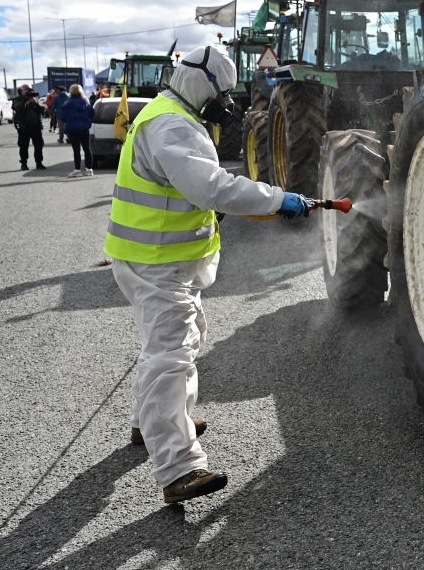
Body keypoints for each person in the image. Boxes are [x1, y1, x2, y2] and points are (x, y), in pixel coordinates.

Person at [104, 44, 313, 505]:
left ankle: (149, 423)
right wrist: (277, 199)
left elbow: (182, 190)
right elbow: (212, 187)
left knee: (177, 341)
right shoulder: (171, 125)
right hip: (155, 262)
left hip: (161, 259)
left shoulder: (171, 113)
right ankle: (179, 468)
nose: (225, 103)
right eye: (221, 94)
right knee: (171, 356)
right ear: (202, 83)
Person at [59, 84, 95, 177]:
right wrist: (87, 122)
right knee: (87, 149)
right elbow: (92, 114)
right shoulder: (86, 102)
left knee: (76, 150)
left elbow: (63, 117)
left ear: (70, 91)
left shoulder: (67, 103)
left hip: (73, 129)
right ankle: (89, 169)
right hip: (84, 128)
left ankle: (77, 170)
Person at [11, 85, 47, 170]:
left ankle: (39, 162)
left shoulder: (34, 98)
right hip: (23, 126)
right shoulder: (18, 99)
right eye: (25, 90)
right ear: (21, 91)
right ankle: (24, 163)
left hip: (36, 126)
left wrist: (35, 102)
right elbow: (18, 109)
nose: (27, 91)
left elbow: (42, 110)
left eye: (28, 89)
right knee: (23, 145)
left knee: (39, 145)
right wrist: (25, 99)